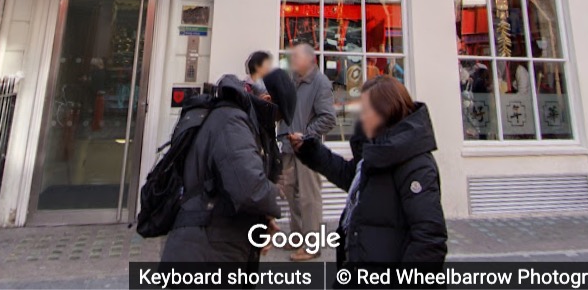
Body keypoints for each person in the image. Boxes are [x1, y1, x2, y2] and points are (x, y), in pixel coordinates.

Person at [292, 75, 447, 266]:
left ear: (386, 111)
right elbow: (350, 176)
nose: (361, 117)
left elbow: (429, 240)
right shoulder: (378, 151)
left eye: (366, 110)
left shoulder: (416, 165)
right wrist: (310, 150)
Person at [161, 69, 298, 265]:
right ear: (267, 99)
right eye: (277, 118)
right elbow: (249, 189)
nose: (275, 124)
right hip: (203, 254)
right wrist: (273, 196)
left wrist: (263, 219)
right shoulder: (233, 121)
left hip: (218, 245)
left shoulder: (240, 121)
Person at [279, 42, 336, 261]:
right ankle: (297, 238)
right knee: (292, 194)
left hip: (307, 148)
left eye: (296, 57)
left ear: (309, 60)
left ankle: (312, 246)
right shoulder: (293, 80)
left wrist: (305, 134)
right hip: (288, 146)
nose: (292, 61)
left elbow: (328, 118)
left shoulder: (320, 83)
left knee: (309, 197)